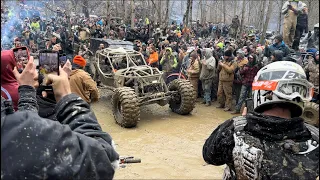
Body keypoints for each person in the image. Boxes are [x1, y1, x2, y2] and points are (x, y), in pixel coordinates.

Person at [1, 57, 119, 179]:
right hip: (76, 110)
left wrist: (27, 92)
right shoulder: (80, 78)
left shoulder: (16, 126)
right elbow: (104, 159)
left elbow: (24, 131)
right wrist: (67, 98)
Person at [203, 61, 318, 180]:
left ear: (264, 91)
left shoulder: (234, 129)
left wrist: (242, 120)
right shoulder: (314, 138)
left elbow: (209, 156)